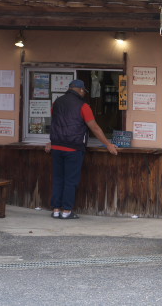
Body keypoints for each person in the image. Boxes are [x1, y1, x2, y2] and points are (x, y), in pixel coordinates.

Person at [44, 79, 118, 219]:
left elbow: (56, 123)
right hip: (73, 148)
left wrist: (51, 142)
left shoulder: (57, 103)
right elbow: (94, 127)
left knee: (58, 179)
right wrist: (108, 144)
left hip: (57, 147)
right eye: (84, 91)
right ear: (81, 90)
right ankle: (66, 211)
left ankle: (56, 210)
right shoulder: (83, 106)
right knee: (71, 180)